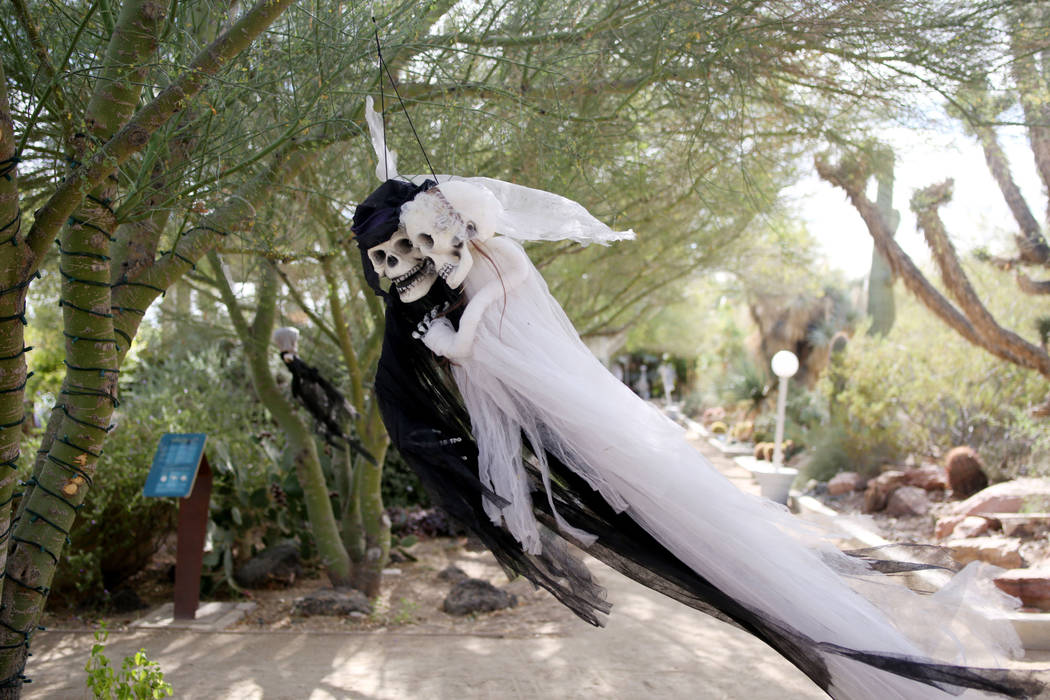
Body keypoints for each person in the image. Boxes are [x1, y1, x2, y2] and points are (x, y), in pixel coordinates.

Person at [348, 101, 1042, 700]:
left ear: (463, 227)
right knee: (673, 515)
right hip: (552, 400)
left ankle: (878, 665)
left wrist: (439, 338)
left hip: (567, 406)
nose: (427, 260)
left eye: (427, 245)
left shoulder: (505, 262)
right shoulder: (468, 263)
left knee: (683, 516)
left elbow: (466, 341)